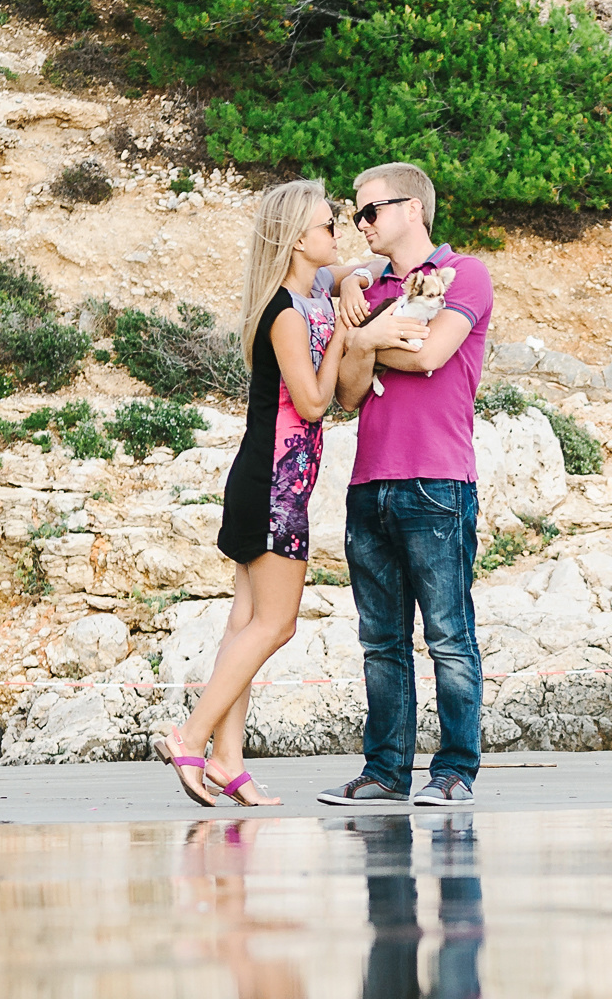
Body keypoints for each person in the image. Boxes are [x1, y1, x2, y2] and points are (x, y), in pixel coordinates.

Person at [156, 179, 358, 807]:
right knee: (276, 624)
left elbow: (368, 265)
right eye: (328, 227)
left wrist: (348, 282)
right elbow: (316, 402)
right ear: (299, 239)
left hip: (271, 478)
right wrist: (349, 341)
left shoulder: (315, 289)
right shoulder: (286, 315)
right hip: (273, 485)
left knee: (244, 621)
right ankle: (189, 736)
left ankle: (228, 759)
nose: (338, 235)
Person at [315, 161, 495, 811]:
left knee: (448, 634)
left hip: (438, 482)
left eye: (371, 211)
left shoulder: (463, 273)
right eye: (356, 213)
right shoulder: (366, 288)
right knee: (381, 640)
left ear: (412, 209)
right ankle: (385, 771)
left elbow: (428, 353)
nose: (361, 223)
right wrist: (363, 334)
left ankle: (453, 772)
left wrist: (357, 341)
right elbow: (348, 391)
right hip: (370, 484)